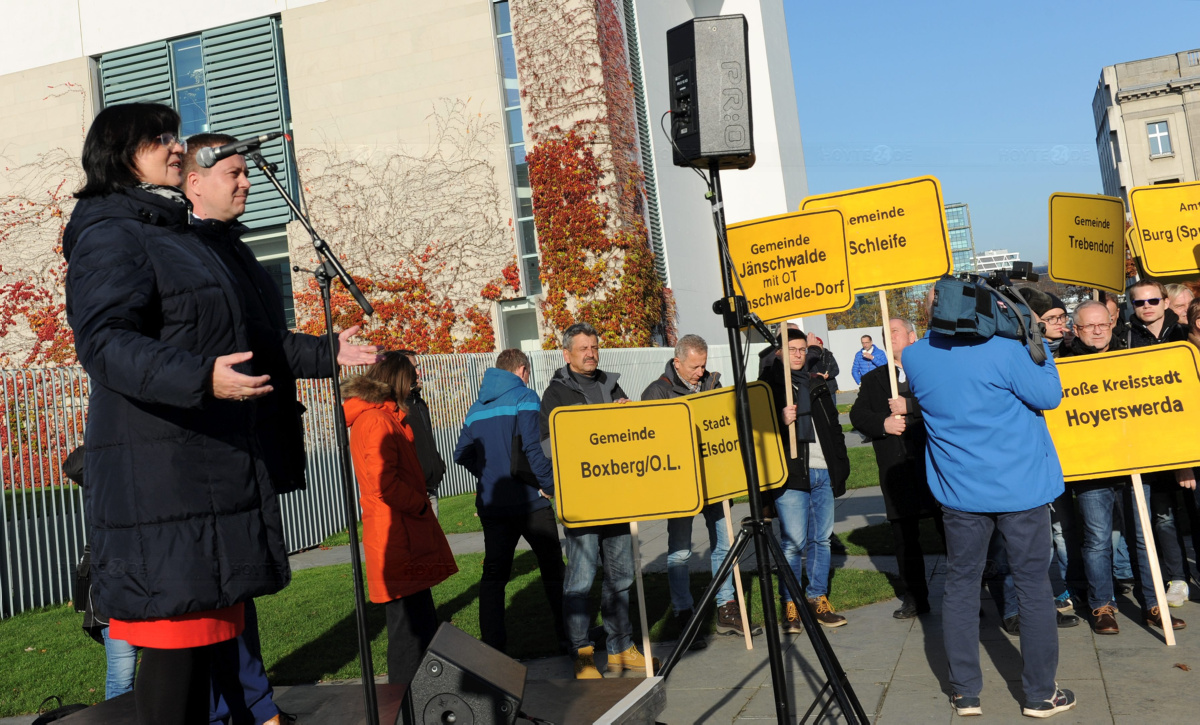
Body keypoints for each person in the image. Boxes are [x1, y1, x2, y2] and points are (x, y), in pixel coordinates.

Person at [64, 103, 328, 724]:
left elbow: (249, 335)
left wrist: (329, 352)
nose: (175, 146)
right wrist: (200, 378)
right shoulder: (111, 232)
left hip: (205, 467)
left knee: (208, 641)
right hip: (162, 474)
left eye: (176, 135)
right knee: (174, 649)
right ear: (119, 153)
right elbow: (103, 342)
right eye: (159, 138)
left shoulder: (174, 232)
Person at [183, 132, 377, 725]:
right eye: (233, 173)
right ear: (194, 182)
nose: (246, 182)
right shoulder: (181, 249)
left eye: (247, 172)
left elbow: (264, 346)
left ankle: (253, 705)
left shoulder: (236, 251)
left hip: (247, 440)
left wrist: (325, 353)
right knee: (218, 590)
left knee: (240, 587)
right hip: (206, 446)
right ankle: (237, 710)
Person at [903, 285, 1075, 718]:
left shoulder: (915, 356)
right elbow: (1049, 396)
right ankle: (1040, 694)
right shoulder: (1005, 349)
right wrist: (1036, 342)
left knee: (961, 586)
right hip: (1021, 487)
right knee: (1034, 587)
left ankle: (965, 692)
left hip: (960, 491)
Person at [1058, 301, 1185, 635]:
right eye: (1089, 326)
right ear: (1076, 329)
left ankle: (1153, 604)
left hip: (1133, 462)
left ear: (1112, 324)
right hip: (1092, 467)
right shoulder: (1064, 364)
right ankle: (1103, 605)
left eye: (1103, 324)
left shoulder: (1131, 354)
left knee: (1143, 537)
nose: (1097, 331)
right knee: (1097, 539)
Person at [539, 322, 651, 679]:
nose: (590, 353)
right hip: (584, 502)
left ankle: (621, 648)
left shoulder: (610, 384)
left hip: (615, 499)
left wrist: (626, 414)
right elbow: (547, 446)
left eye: (594, 347)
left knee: (620, 577)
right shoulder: (555, 394)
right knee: (580, 580)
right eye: (583, 348)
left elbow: (627, 438)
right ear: (566, 353)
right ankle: (583, 652)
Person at [343, 353, 458, 686]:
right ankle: (406, 706)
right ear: (396, 379)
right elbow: (385, 483)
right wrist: (420, 505)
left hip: (402, 534)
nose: (415, 383)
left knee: (420, 625)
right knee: (408, 633)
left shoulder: (384, 416)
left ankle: (420, 700)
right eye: (411, 377)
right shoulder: (376, 420)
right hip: (397, 536)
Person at [641, 334, 761, 645]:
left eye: (703, 366)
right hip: (680, 487)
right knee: (680, 551)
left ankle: (726, 607)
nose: (700, 372)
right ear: (677, 362)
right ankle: (683, 611)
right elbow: (653, 442)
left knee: (724, 544)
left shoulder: (712, 384)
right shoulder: (657, 392)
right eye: (695, 367)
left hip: (716, 482)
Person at [453, 348, 566, 655]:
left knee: (494, 576)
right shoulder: (525, 397)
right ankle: (570, 637)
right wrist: (549, 485)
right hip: (530, 501)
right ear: (521, 370)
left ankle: (492, 647)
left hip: (493, 504)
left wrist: (487, 472)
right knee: (553, 570)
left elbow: (460, 453)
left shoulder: (475, 407)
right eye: (527, 372)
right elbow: (533, 447)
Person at [849, 318, 943, 619]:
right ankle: (916, 597)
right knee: (905, 538)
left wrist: (910, 407)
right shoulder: (875, 379)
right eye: (884, 335)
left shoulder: (933, 370)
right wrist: (883, 423)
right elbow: (858, 415)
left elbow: (948, 401)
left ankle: (967, 599)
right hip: (897, 470)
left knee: (953, 534)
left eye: (895, 332)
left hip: (937, 465)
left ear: (912, 337)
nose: (890, 337)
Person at [764, 329, 851, 632]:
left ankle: (817, 597)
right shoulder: (769, 388)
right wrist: (780, 419)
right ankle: (790, 602)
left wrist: (840, 462)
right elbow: (755, 434)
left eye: (802, 349)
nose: (799, 355)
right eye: (792, 349)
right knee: (794, 542)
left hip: (822, 470)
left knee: (821, 539)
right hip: (791, 474)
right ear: (779, 352)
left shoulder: (817, 384)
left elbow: (833, 426)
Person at [1125, 280, 1192, 607]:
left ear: (1165, 302)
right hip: (1152, 441)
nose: (1147, 306)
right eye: (1140, 302)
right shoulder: (1125, 339)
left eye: (1153, 300)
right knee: (1163, 516)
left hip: (1189, 436)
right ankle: (1178, 578)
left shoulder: (1185, 335)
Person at [397, 349, 447, 516]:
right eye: (414, 367)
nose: (419, 372)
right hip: (414, 490)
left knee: (432, 540)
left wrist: (437, 464)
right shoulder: (396, 408)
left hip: (430, 487)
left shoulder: (418, 403)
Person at [805, 334, 841, 405]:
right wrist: (815, 375)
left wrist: (829, 375)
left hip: (830, 387)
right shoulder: (809, 357)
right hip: (816, 387)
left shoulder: (829, 356)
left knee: (833, 408)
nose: (818, 347)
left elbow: (836, 370)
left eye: (819, 345)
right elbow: (807, 371)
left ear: (822, 344)